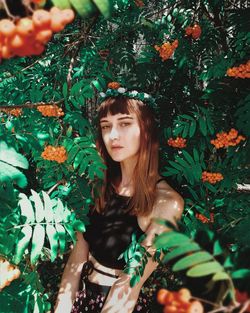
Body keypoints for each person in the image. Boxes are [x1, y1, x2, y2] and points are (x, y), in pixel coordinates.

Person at [54, 86, 184, 313]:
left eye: (124, 123)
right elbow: (76, 261)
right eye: (106, 126)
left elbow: (129, 285)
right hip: (81, 298)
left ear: (146, 130)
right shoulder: (97, 185)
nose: (113, 135)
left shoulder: (167, 203)